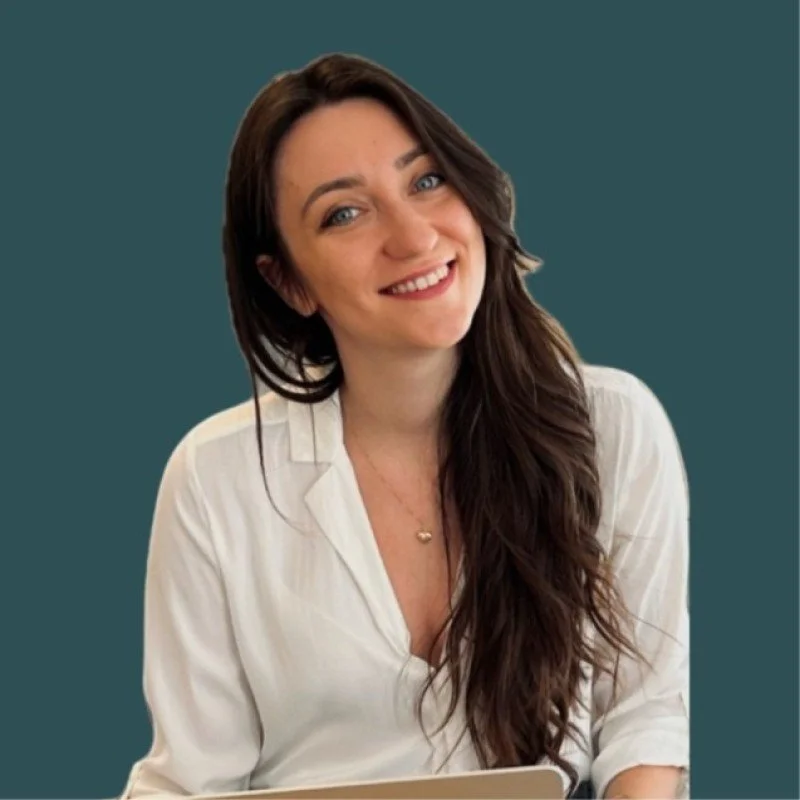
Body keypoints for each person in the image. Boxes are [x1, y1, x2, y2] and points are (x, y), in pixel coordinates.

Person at [121, 53, 689, 800]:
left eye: (426, 181)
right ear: (288, 281)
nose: (414, 237)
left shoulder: (612, 427)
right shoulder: (216, 477)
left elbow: (645, 717)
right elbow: (191, 780)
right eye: (344, 213)